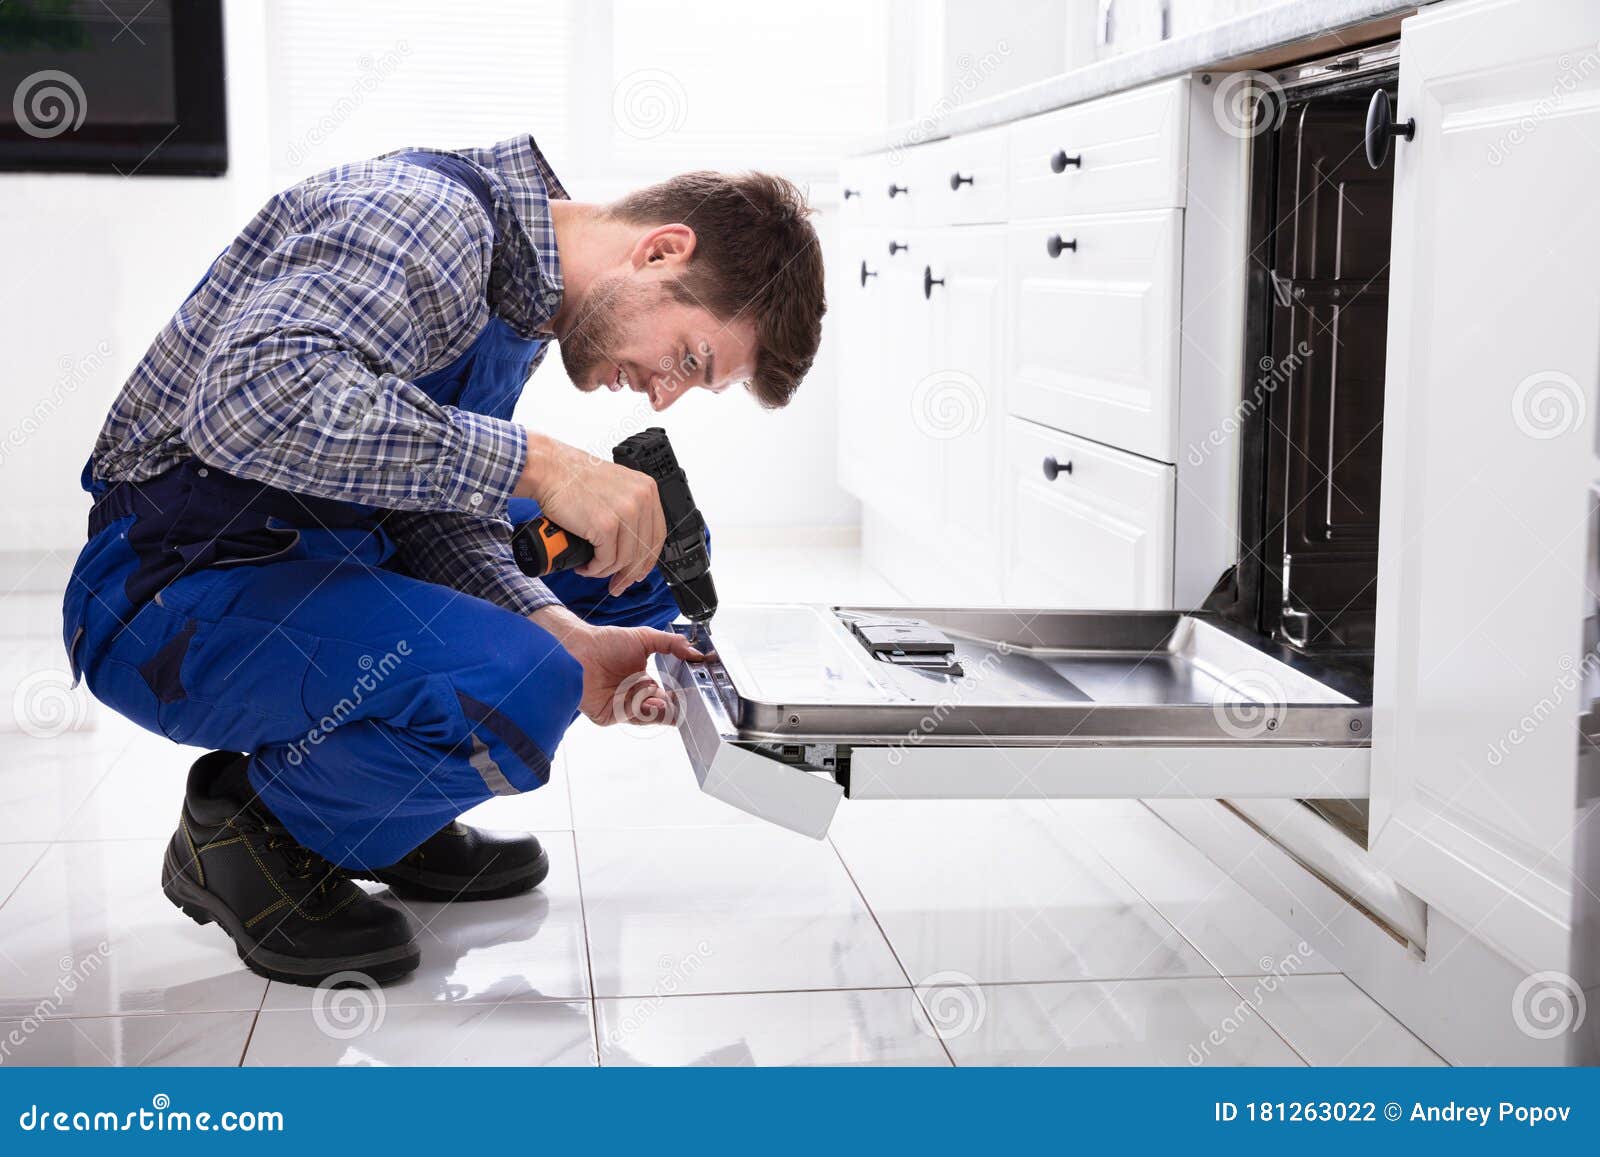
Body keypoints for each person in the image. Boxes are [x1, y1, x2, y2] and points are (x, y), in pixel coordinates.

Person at [60, 135, 826, 986]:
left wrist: (561, 629)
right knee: (517, 683)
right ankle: (254, 827)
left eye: (692, 382)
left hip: (326, 551)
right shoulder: (428, 221)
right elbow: (249, 403)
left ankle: (392, 802)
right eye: (688, 357)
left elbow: (427, 502)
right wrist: (544, 464)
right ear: (661, 250)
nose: (662, 393)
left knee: (639, 557)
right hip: (170, 588)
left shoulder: (523, 301)